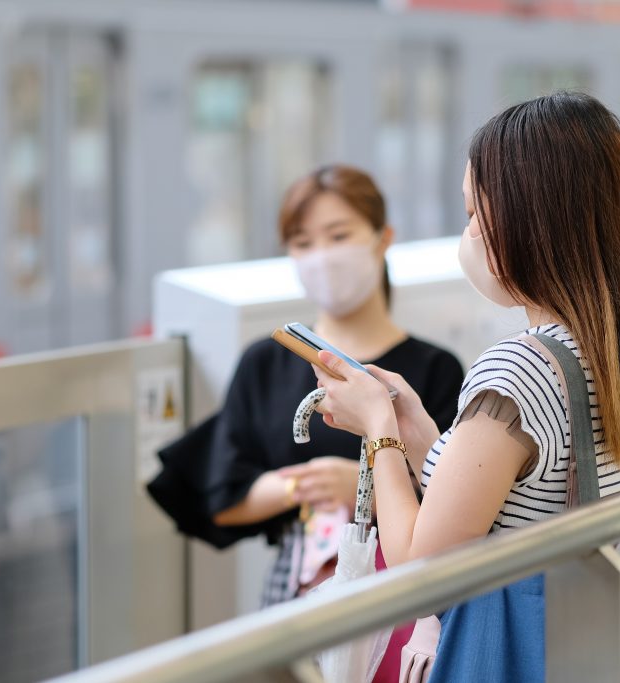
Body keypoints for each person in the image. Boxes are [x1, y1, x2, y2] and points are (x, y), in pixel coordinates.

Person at [312, 92, 620, 680]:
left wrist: (378, 429)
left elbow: (419, 570)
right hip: (585, 640)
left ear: (529, 220)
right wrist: (428, 438)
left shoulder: (519, 369)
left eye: (477, 213)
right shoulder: (615, 346)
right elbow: (523, 498)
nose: (471, 233)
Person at [149, 165, 464, 682]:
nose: (322, 256)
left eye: (338, 236)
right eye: (302, 242)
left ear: (383, 239)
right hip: (295, 602)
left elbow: (454, 498)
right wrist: (304, 483)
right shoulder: (266, 363)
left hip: (405, 601)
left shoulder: (431, 369)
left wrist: (362, 483)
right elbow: (222, 497)